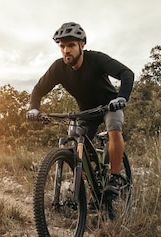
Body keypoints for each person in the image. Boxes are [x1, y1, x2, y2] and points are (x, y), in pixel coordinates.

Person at [27, 22, 134, 198]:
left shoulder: (97, 59)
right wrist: (34, 109)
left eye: (70, 45)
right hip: (86, 112)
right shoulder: (58, 68)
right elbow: (39, 90)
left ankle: (114, 178)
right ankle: (94, 187)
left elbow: (126, 73)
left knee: (114, 128)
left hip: (109, 105)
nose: (66, 50)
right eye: (62, 46)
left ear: (82, 45)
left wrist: (121, 97)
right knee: (78, 147)